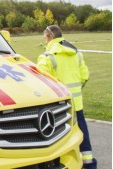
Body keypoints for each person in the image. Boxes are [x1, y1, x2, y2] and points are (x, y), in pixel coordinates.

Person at [37, 25, 97, 169]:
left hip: (59, 107)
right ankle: (88, 163)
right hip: (77, 103)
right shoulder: (76, 53)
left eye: (45, 38)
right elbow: (84, 76)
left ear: (50, 37)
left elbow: (41, 82)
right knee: (82, 132)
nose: (45, 41)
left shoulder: (47, 57)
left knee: (59, 138)